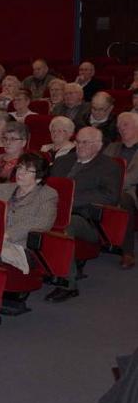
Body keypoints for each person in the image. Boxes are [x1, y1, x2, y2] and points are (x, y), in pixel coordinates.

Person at [47, 127, 121, 302]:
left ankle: (68, 284)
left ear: (98, 145)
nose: (80, 146)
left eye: (85, 142)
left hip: (87, 218)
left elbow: (109, 196)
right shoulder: (63, 161)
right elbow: (48, 186)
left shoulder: (110, 166)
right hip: (53, 210)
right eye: (78, 142)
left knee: (66, 226)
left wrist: (70, 201)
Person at [0, 153, 58, 274]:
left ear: (39, 177)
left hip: (20, 246)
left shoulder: (48, 195)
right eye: (20, 168)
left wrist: (5, 235)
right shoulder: (0, 189)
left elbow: (42, 223)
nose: (20, 173)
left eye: (27, 171)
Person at [103, 112, 138, 270]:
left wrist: (111, 185)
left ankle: (127, 252)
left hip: (131, 191)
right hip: (106, 188)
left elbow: (133, 177)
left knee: (123, 199)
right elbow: (100, 168)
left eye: (125, 124)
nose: (121, 128)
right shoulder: (112, 147)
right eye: (119, 126)